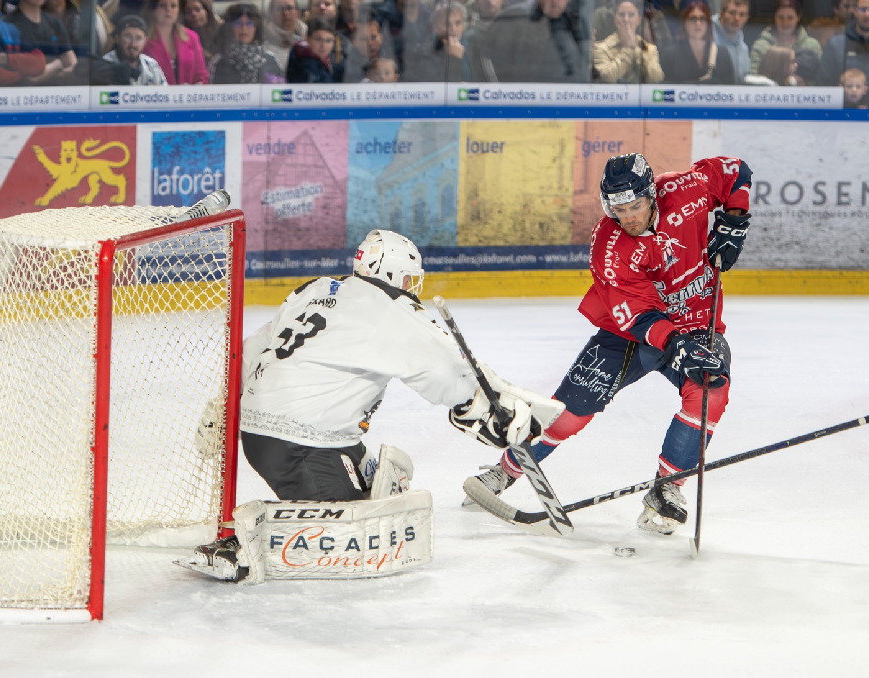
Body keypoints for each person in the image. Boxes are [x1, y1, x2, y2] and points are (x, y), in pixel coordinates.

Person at [185, 230, 559, 579]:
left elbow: (252, 351)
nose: (411, 287)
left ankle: (325, 493)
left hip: (262, 435)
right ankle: (249, 541)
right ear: (393, 273)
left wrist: (222, 406)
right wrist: (480, 410)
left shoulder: (316, 288)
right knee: (361, 533)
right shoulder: (389, 305)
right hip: (306, 445)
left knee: (380, 482)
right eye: (410, 278)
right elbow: (442, 367)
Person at [463, 152, 754, 536]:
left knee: (710, 391)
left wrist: (734, 220)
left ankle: (667, 491)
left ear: (652, 194)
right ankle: (505, 471)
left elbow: (735, 171)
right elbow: (637, 315)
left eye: (635, 206)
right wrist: (675, 343)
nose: (628, 216)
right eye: (618, 208)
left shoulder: (685, 190)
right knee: (569, 414)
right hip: (629, 334)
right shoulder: (609, 244)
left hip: (696, 322)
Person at [469, 0, 588, 83]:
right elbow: (487, 61)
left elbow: (581, 66)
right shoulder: (513, 18)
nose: (555, 1)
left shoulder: (576, 23)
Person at [660, 0, 736, 84]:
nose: (698, 23)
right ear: (684, 22)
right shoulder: (670, 55)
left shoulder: (722, 54)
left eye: (702, 19)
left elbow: (731, 89)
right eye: (693, 19)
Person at [4, 0, 79, 84]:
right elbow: (29, 78)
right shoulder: (8, 25)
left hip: (60, 93)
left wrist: (51, 70)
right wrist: (57, 64)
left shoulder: (54, 23)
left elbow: (73, 65)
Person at [208, 3, 284, 83]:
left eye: (249, 24)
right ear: (230, 28)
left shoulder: (270, 59)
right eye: (238, 24)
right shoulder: (219, 62)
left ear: (256, 28)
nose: (244, 28)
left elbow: (280, 91)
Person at [748, 0, 821, 83]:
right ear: (774, 17)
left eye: (790, 18)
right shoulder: (761, 45)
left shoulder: (812, 45)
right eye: (780, 17)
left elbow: (819, 78)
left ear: (799, 17)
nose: (785, 23)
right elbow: (753, 77)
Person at [592, 0, 662, 83]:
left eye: (631, 15)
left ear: (639, 20)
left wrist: (635, 50)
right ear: (615, 19)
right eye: (621, 15)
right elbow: (606, 78)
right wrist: (628, 50)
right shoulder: (600, 48)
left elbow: (656, 79)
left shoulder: (649, 48)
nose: (626, 20)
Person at [142, 0, 207, 83]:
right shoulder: (144, 39)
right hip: (157, 95)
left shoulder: (192, 37)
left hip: (188, 95)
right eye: (162, 5)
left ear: (178, 10)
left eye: (173, 6)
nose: (168, 10)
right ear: (153, 9)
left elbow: (201, 76)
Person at [401, 0, 466, 81]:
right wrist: (454, 59)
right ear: (435, 27)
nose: (453, 29)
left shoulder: (471, 46)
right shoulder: (423, 54)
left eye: (458, 23)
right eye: (447, 24)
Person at [102, 13, 168, 83]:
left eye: (138, 38)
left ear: (145, 40)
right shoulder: (105, 65)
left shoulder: (151, 66)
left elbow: (165, 92)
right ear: (117, 38)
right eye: (128, 37)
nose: (133, 44)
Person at [285, 15, 336, 81]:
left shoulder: (325, 60)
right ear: (307, 39)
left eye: (328, 40)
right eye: (318, 39)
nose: (323, 45)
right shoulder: (306, 65)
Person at [713, 0, 751, 83]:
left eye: (742, 15)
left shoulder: (744, 48)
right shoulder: (706, 34)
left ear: (747, 18)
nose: (737, 18)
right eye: (732, 13)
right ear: (721, 13)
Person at [263, 0, 305, 71]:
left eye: (289, 8)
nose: (285, 13)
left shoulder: (309, 37)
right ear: (270, 14)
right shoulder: (263, 42)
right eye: (279, 9)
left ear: (298, 13)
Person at [180, 0, 220, 67]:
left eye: (198, 10)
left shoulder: (220, 31)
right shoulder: (182, 37)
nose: (193, 14)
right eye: (188, 12)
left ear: (207, 11)